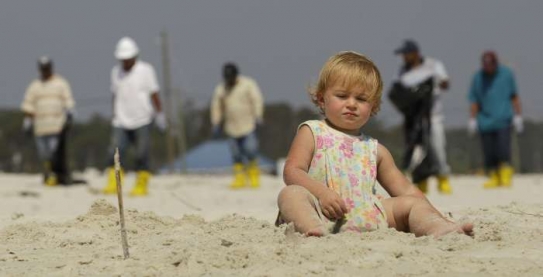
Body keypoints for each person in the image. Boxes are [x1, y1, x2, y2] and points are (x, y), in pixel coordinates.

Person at [276, 51, 473, 237]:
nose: (352, 104)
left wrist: (435, 215)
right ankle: (313, 231)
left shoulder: (375, 149)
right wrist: (321, 194)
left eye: (361, 99)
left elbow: (406, 190)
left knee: (412, 203)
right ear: (321, 99)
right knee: (291, 194)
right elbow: (292, 171)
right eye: (342, 96)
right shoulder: (312, 132)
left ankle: (438, 228)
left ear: (374, 106)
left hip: (368, 213)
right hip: (320, 210)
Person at [102, 37, 167, 196]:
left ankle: (142, 183)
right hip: (121, 120)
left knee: (141, 153)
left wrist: (160, 114)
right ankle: (114, 181)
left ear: (135, 57)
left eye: (127, 59)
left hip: (142, 119)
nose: (125, 62)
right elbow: (115, 95)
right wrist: (114, 114)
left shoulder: (146, 70)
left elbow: (154, 93)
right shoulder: (115, 72)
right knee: (115, 152)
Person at [392, 39, 452, 194]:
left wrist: (432, 84)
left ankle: (442, 178)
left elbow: (445, 83)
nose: (404, 58)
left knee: (437, 148)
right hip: (413, 118)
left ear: (415, 53)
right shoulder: (402, 71)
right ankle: (420, 180)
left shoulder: (432, 65)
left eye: (406, 54)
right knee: (416, 151)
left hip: (433, 116)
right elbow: (397, 92)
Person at [468, 51, 523, 188]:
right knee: (489, 152)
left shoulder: (506, 74)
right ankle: (493, 176)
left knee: (503, 150)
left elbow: (514, 96)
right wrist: (473, 119)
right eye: (485, 65)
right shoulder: (478, 78)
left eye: (490, 64)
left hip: (503, 119)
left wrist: (518, 116)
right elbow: (474, 100)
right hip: (485, 121)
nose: (488, 67)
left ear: (496, 63)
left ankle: (505, 175)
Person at [21, 56, 75, 186]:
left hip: (56, 127)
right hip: (40, 127)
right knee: (44, 155)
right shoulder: (35, 86)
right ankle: (48, 174)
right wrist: (28, 120)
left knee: (54, 154)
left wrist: (69, 112)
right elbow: (28, 104)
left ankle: (56, 176)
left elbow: (68, 100)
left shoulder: (61, 83)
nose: (45, 71)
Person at [210, 63, 264, 189]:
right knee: (236, 154)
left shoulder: (248, 84)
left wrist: (258, 116)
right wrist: (216, 122)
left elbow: (257, 100)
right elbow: (216, 106)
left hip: (248, 125)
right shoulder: (221, 89)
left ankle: (254, 175)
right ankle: (239, 178)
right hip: (231, 127)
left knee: (251, 150)